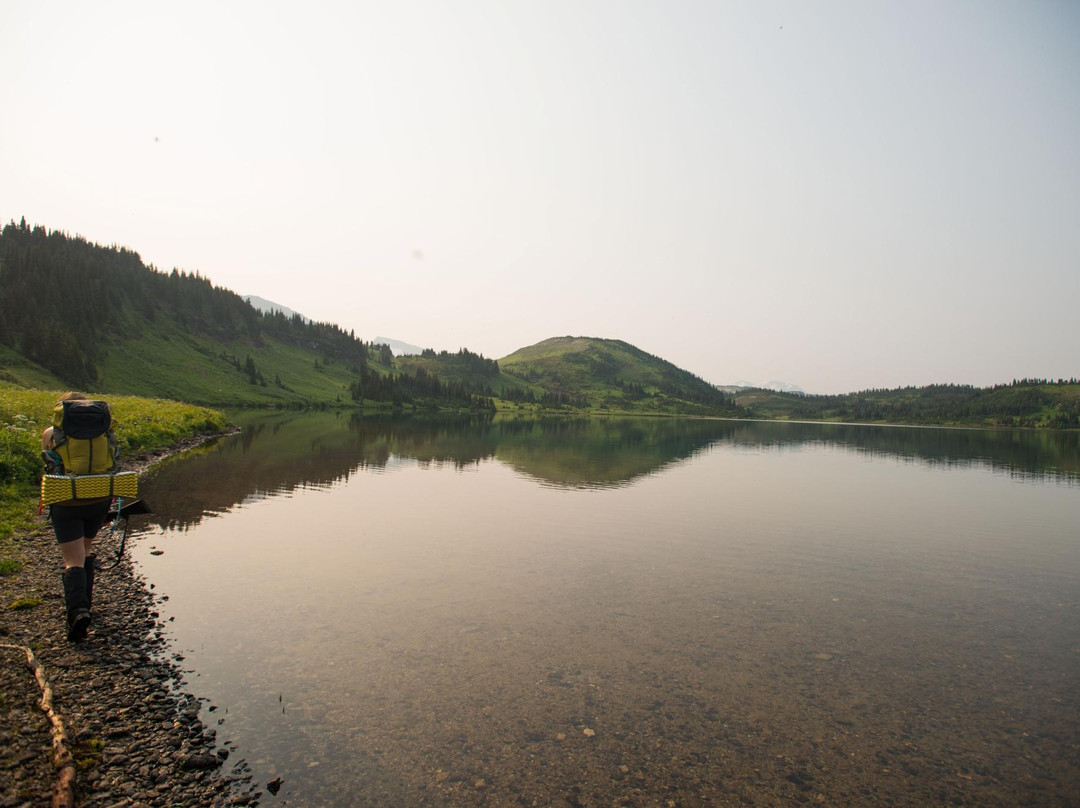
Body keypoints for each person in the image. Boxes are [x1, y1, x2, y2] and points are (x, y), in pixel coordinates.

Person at [42, 392, 113, 641]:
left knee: (72, 559)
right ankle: (86, 605)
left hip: (66, 499)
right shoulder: (104, 432)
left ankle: (77, 613)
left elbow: (48, 465)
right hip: (99, 498)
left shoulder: (51, 433)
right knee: (85, 548)